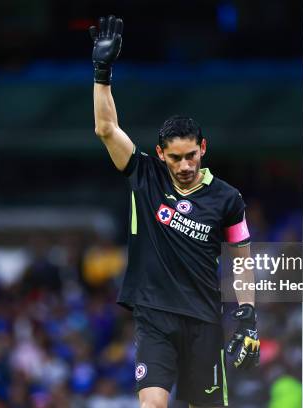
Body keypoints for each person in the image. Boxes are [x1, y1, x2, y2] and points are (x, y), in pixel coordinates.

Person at [90, 16, 259, 408]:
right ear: (162, 154)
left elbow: (241, 262)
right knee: (152, 404)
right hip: (155, 318)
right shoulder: (144, 174)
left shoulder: (228, 199)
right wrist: (102, 73)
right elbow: (106, 129)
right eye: (176, 158)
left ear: (203, 148)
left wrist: (248, 316)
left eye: (191, 156)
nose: (185, 166)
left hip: (204, 321)